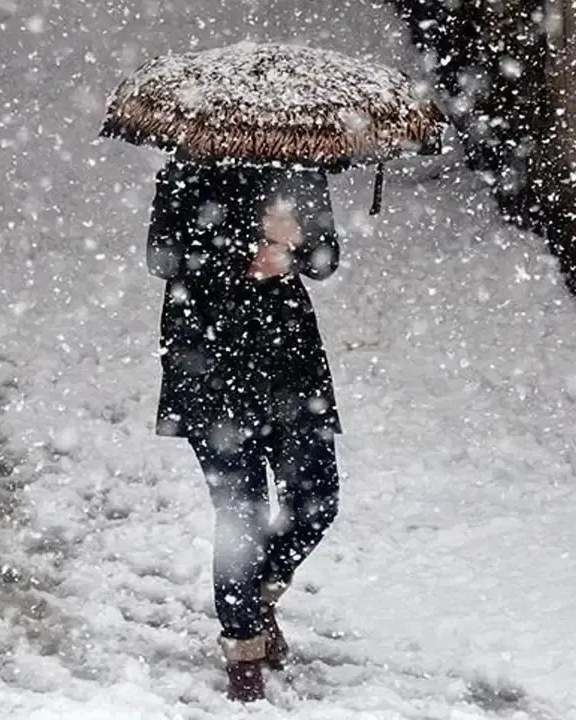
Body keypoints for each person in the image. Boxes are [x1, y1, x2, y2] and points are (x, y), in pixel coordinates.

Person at [146, 154, 342, 702]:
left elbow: (326, 260)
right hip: (208, 360)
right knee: (242, 515)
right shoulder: (185, 170)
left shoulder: (300, 170)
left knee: (317, 499)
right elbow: (162, 258)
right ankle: (243, 653)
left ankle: (254, 598)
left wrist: (294, 245)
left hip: (290, 364)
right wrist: (248, 246)